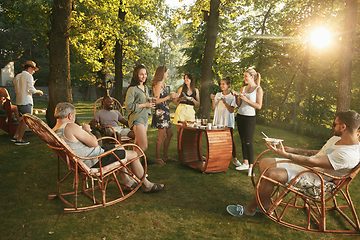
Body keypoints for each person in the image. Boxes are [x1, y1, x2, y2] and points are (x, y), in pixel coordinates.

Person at [227, 110, 360, 217]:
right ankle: (265, 202)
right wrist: (293, 150)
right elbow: (318, 153)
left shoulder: (349, 154)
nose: (333, 126)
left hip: (319, 179)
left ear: (343, 127)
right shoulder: (337, 138)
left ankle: (250, 209)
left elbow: (313, 161)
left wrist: (285, 155)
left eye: (334, 124)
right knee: (264, 162)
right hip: (309, 168)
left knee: (270, 174)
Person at [52, 102, 165, 193]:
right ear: (70, 115)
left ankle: (128, 182)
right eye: (75, 115)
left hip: (85, 159)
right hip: (95, 160)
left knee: (119, 147)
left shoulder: (54, 131)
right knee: (134, 154)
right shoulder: (70, 126)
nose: (74, 117)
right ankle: (147, 185)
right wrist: (87, 131)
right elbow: (94, 143)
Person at [232, 68, 263, 176]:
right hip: (240, 116)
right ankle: (245, 163)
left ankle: (251, 167)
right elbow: (239, 104)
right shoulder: (243, 88)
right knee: (243, 140)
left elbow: (259, 106)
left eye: (246, 76)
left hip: (250, 117)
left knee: (248, 142)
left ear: (252, 77)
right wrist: (237, 97)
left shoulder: (258, 89)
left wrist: (247, 100)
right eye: (244, 76)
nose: (244, 78)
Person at [125, 64, 155, 157]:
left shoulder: (145, 87)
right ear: (136, 75)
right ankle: (127, 161)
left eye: (145, 74)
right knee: (143, 146)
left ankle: (133, 170)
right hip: (137, 119)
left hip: (144, 118)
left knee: (137, 146)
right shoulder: (132, 89)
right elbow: (128, 106)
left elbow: (142, 100)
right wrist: (145, 104)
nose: (144, 76)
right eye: (141, 74)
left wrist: (149, 100)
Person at [151, 66, 178, 165]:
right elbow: (157, 100)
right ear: (162, 73)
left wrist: (173, 98)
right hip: (160, 112)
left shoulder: (163, 84)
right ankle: (158, 158)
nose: (167, 74)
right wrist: (169, 96)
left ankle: (165, 156)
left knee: (170, 134)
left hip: (165, 111)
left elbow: (165, 99)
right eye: (166, 73)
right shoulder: (158, 84)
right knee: (161, 136)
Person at [12, 60, 43, 145]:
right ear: (29, 68)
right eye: (33, 69)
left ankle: (15, 136)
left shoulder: (17, 76)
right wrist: (39, 91)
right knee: (26, 121)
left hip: (19, 100)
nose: (33, 72)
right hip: (26, 101)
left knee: (22, 120)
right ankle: (19, 139)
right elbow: (31, 90)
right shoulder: (28, 76)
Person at [210, 77, 239, 167]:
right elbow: (215, 108)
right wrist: (213, 99)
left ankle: (235, 159)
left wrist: (225, 102)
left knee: (230, 140)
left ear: (228, 85)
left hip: (227, 121)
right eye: (221, 84)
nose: (221, 85)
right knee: (217, 140)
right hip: (218, 120)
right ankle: (218, 158)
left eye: (223, 84)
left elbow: (231, 110)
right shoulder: (218, 94)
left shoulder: (232, 96)